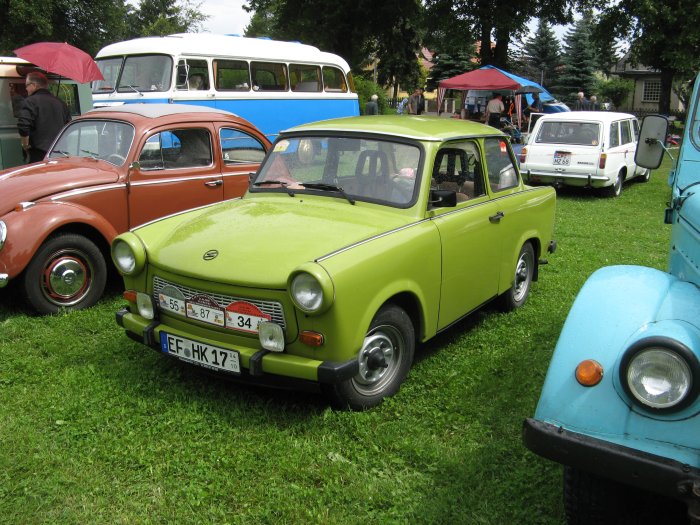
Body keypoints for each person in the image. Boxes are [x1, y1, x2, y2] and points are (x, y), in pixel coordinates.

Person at [17, 72, 71, 163]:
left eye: (26, 86)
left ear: (33, 85)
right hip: (59, 152)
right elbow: (68, 125)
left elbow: (23, 126)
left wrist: (25, 145)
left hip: (39, 152)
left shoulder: (29, 102)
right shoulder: (60, 103)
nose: (26, 89)